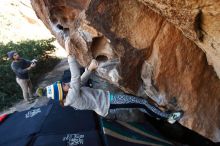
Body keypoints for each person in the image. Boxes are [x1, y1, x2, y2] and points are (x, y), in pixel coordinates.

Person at [45, 37, 183, 124]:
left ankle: (157, 115)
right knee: (142, 102)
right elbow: (75, 77)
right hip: (108, 104)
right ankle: (167, 117)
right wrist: (69, 54)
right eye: (62, 86)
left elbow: (79, 81)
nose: (64, 83)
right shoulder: (71, 96)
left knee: (139, 103)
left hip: (108, 100)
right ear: (62, 93)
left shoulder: (70, 93)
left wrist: (89, 69)